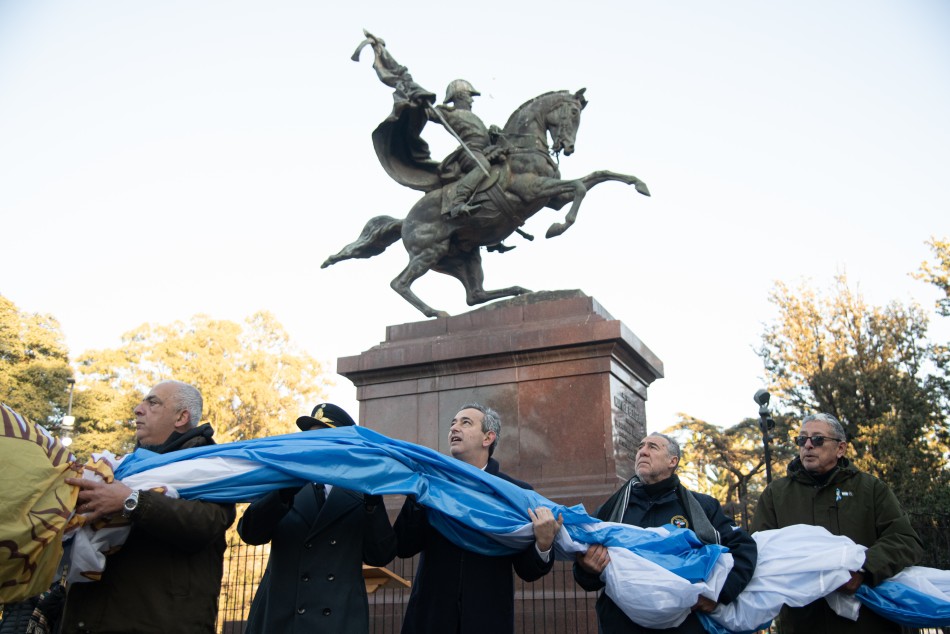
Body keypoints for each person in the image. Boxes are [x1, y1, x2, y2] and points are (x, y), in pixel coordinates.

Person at [61, 380, 236, 634]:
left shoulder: (212, 466)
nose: (138, 409)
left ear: (181, 417)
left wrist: (131, 501)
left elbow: (207, 523)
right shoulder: (124, 466)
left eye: (152, 402)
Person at [394, 403, 563, 634]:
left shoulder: (515, 493)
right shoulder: (431, 483)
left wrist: (543, 545)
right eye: (452, 423)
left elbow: (528, 571)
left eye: (466, 422)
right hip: (430, 619)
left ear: (488, 438)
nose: (454, 428)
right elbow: (403, 546)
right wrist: (417, 496)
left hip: (487, 620)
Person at [751, 412, 923, 633]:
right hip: (803, 623)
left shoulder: (871, 489)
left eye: (818, 439)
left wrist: (864, 570)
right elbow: (759, 551)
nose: (808, 445)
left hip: (869, 623)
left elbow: (906, 540)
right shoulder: (775, 494)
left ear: (840, 448)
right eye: (802, 439)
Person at [573, 433, 757, 634]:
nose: (642, 451)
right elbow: (584, 566)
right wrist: (587, 568)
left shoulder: (702, 508)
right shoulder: (612, 510)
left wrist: (718, 594)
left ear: (673, 461)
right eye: (640, 447)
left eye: (652, 447)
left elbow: (744, 548)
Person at [237, 403, 397, 634]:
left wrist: (373, 504)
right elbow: (250, 533)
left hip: (339, 620)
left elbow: (380, 554)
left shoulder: (362, 491)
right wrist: (282, 493)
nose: (315, 444)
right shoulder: (283, 479)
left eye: (324, 436)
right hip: (281, 618)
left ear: (345, 445)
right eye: (311, 437)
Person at [428, 80, 505, 217]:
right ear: (460, 96)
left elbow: (481, 136)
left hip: (483, 151)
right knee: (483, 167)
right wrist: (419, 100)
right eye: (469, 96)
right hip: (469, 152)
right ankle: (457, 202)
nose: (472, 101)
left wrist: (492, 134)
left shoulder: (473, 117)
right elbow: (429, 112)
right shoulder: (449, 113)